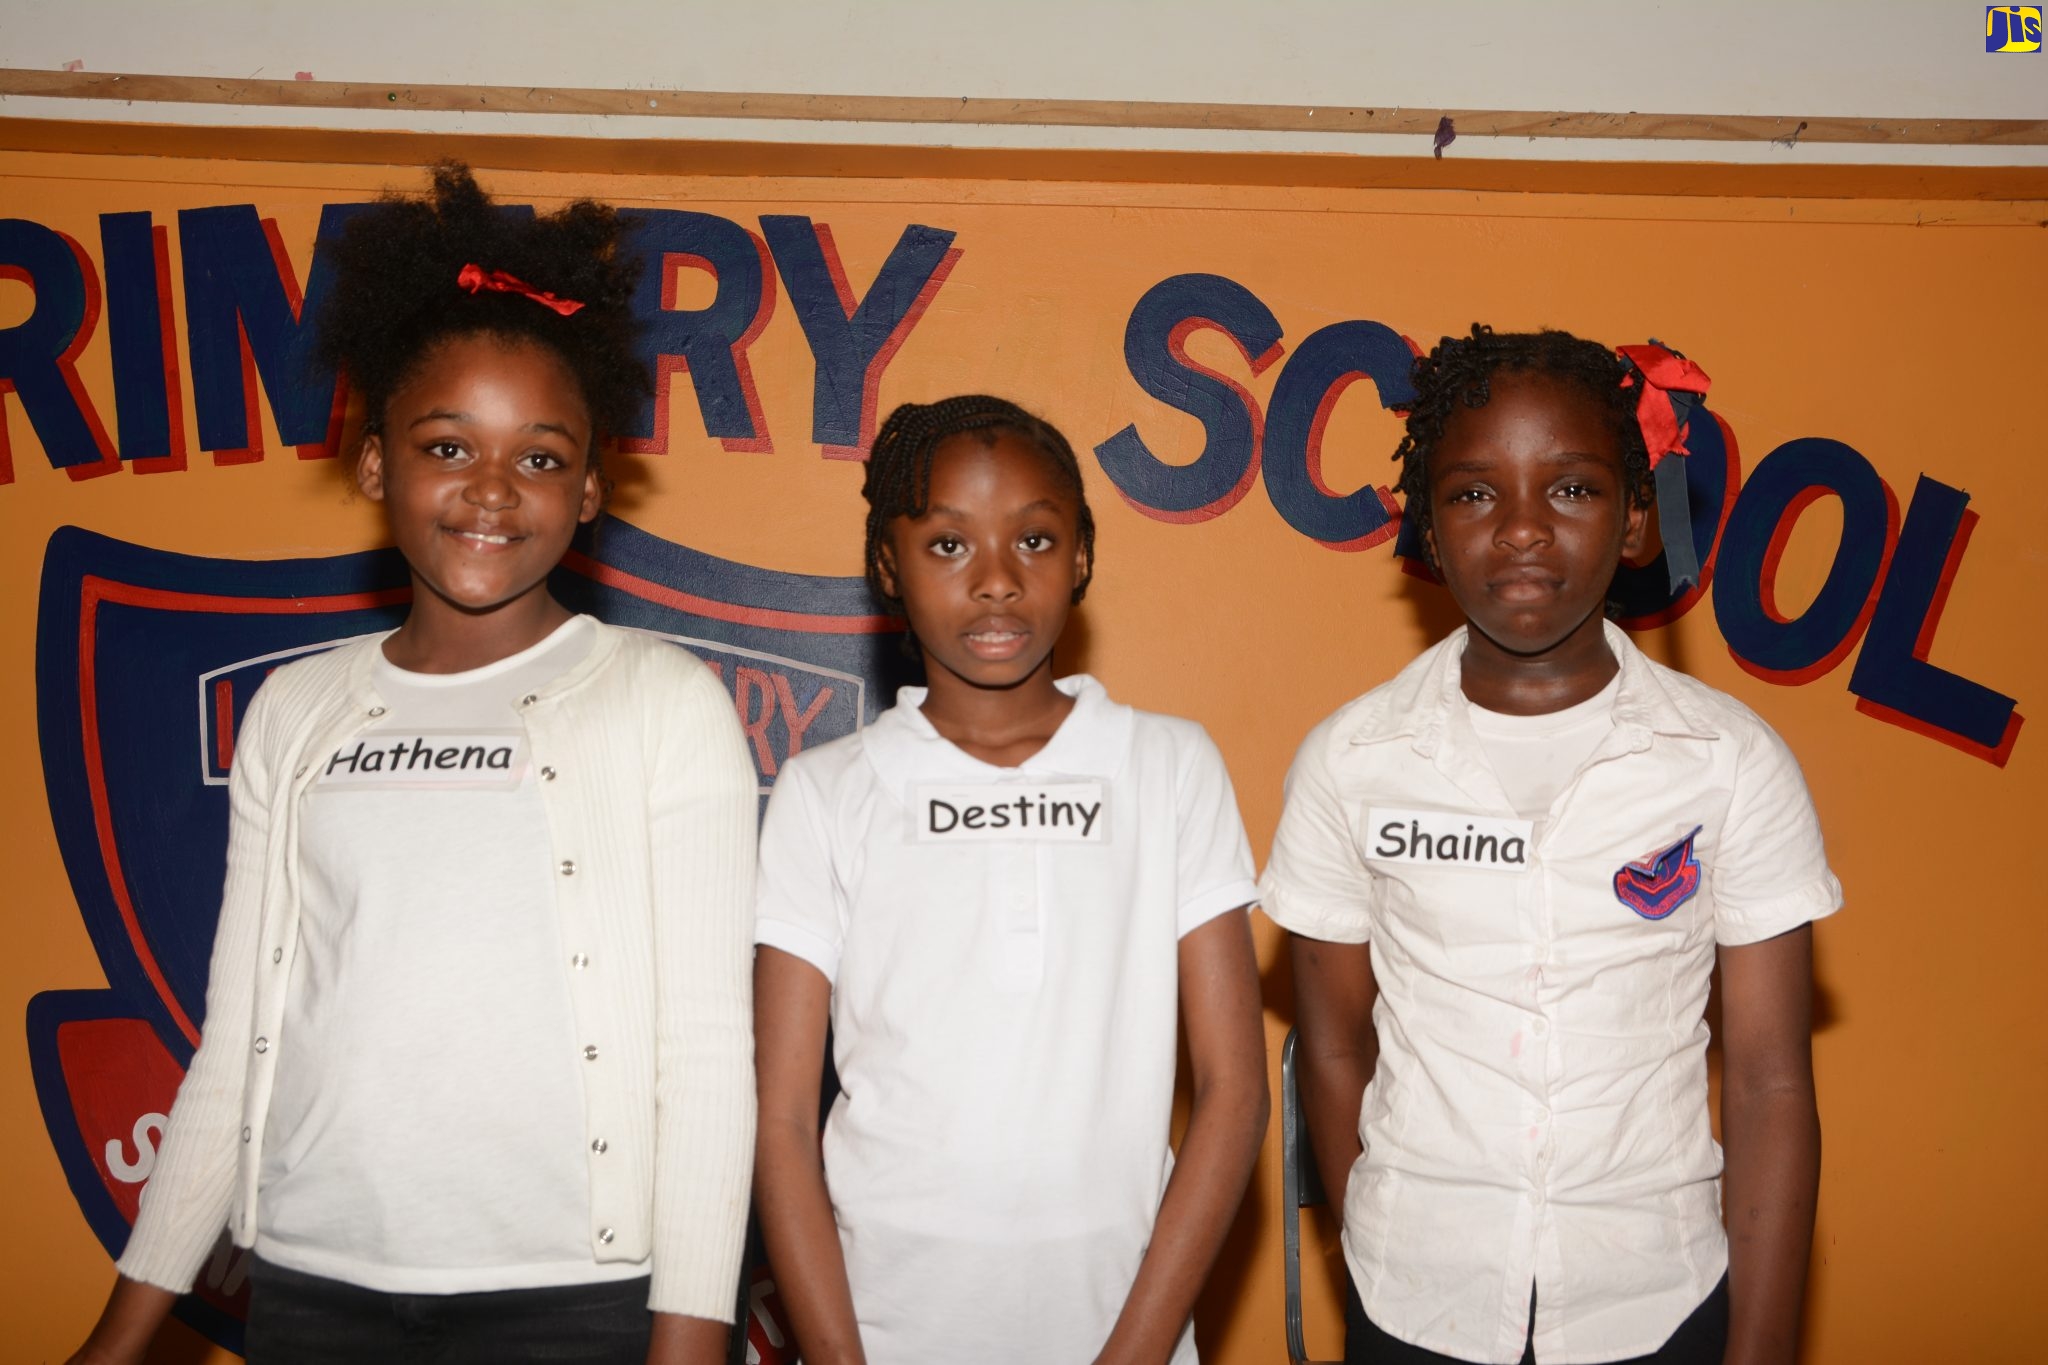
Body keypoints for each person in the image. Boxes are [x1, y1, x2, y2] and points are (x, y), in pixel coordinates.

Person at [68, 164, 759, 1365]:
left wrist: (690, 1344)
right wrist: (115, 1341)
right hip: (310, 1288)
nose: (491, 490)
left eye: (540, 458)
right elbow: (238, 1045)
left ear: (591, 486)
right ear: (375, 460)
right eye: (447, 444)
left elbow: (704, 1055)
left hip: (575, 1301)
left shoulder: (663, 703)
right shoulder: (297, 708)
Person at [1269, 326, 1839, 1365]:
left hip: (1657, 1299)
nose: (1522, 529)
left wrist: (1756, 1351)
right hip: (1411, 1308)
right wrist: (1382, 1254)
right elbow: (1334, 1047)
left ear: (1632, 522)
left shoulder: (1726, 762)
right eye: (1475, 493)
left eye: (1570, 489)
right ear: (1427, 532)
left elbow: (1767, 1082)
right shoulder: (1350, 761)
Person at [751, 396, 1269, 1365]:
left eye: (1032, 539)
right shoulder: (828, 793)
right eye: (948, 547)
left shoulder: (1165, 765)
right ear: (886, 568)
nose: (995, 581)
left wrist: (1134, 1353)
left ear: (1079, 556)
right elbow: (779, 1120)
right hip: (882, 1325)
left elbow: (1235, 1091)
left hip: (1125, 1329)